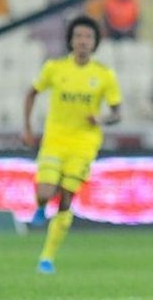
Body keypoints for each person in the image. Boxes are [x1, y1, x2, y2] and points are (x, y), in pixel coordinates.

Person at [22, 15, 122, 274]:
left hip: (83, 145)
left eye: (88, 37)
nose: (83, 41)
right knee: (45, 193)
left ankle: (47, 257)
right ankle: (41, 206)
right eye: (78, 36)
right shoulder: (54, 68)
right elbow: (31, 93)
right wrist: (28, 128)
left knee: (66, 198)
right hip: (54, 141)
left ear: (95, 42)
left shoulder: (104, 75)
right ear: (70, 40)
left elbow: (117, 113)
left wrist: (101, 118)